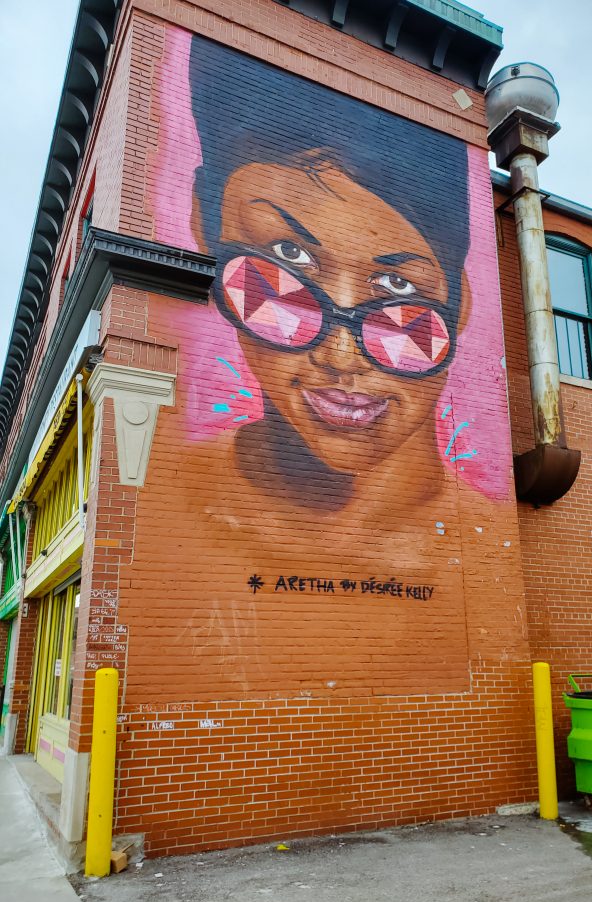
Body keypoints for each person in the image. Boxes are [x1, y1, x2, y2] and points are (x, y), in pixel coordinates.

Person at [187, 36, 479, 534]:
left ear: (463, 299)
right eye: (288, 258)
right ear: (203, 229)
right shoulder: (162, 515)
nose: (341, 357)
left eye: (396, 284)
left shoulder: (488, 545)